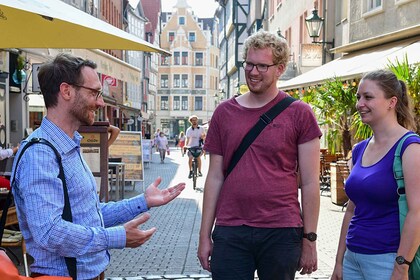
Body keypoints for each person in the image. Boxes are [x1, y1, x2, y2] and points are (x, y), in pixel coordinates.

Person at [10, 53, 185, 279]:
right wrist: (117, 237)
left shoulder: (68, 145)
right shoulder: (40, 153)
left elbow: (88, 215)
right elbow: (49, 232)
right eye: (94, 93)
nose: (101, 102)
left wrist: (143, 202)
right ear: (66, 91)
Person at [197, 29, 322, 279]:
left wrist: (310, 240)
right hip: (231, 229)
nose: (253, 72)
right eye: (249, 64)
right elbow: (214, 177)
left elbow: (309, 182)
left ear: (280, 68)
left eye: (262, 66)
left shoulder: (300, 113)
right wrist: (204, 236)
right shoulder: (224, 113)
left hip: (282, 230)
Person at [331, 70, 420, 280]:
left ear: (392, 102)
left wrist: (401, 266)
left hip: (387, 261)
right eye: (358, 97)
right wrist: (338, 261)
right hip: (352, 258)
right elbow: (351, 210)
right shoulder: (360, 148)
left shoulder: (409, 147)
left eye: (368, 97)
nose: (360, 103)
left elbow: (417, 212)